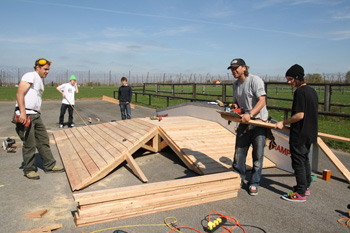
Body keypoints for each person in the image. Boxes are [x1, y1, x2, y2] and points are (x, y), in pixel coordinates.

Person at [15, 58, 64, 180]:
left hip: (36, 115)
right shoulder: (30, 75)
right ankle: (29, 169)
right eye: (45, 69)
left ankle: (49, 165)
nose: (47, 72)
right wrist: (22, 112)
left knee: (43, 140)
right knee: (29, 143)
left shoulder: (40, 81)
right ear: (37, 67)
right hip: (26, 114)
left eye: (48, 69)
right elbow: (19, 93)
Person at [276, 64, 318, 202]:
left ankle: (300, 193)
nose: (289, 82)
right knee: (305, 160)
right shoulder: (312, 91)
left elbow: (299, 115)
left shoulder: (300, 92)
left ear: (298, 78)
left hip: (299, 133)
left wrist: (283, 122)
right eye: (288, 79)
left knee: (298, 163)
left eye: (291, 79)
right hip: (310, 133)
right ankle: (305, 187)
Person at [228, 58, 268, 196]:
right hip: (244, 123)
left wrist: (250, 114)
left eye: (236, 68)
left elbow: (262, 101)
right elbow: (237, 104)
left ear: (244, 68)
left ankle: (254, 183)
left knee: (257, 155)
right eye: (232, 69)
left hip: (258, 123)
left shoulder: (254, 80)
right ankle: (238, 178)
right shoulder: (235, 85)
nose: (233, 71)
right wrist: (233, 108)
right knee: (239, 154)